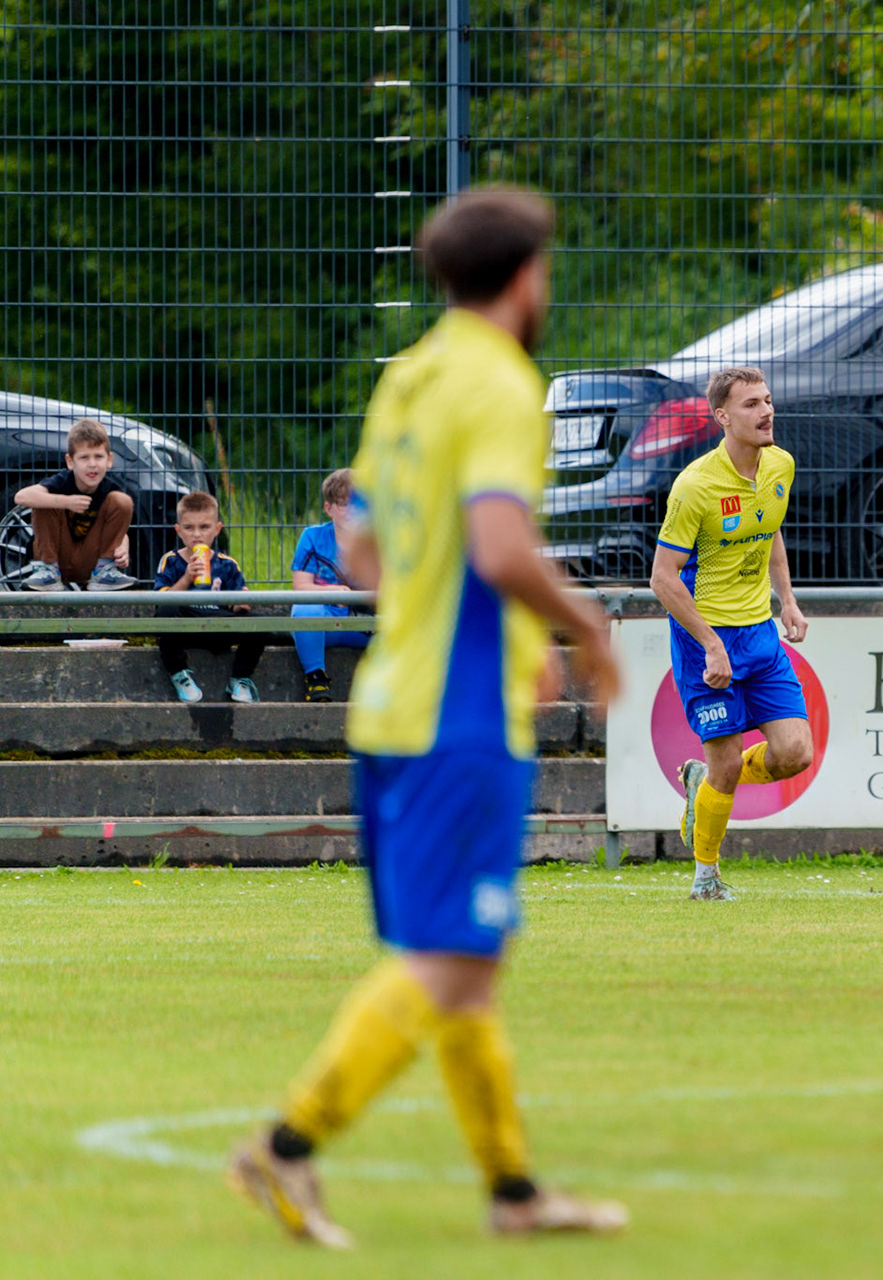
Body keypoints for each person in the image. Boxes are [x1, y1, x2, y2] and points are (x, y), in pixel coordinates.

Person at [224, 186, 626, 1247]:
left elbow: (362, 552)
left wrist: (502, 637)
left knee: (463, 964)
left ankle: (513, 1192)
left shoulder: (407, 376)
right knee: (449, 960)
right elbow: (497, 548)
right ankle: (288, 1142)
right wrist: (582, 625)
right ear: (527, 275)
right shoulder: (500, 381)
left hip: (393, 697)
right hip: (457, 712)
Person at [649, 367, 811, 902]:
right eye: (750, 405)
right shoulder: (695, 485)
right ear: (721, 417)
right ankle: (705, 878)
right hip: (707, 640)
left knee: (795, 754)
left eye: (767, 400)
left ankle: (704, 782)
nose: (766, 412)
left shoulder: (781, 465)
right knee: (725, 758)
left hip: (760, 638)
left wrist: (786, 598)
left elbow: (772, 530)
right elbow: (662, 577)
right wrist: (711, 643)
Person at [152, 490, 264, 703]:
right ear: (179, 531)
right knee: (166, 612)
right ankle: (179, 673)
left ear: (217, 529)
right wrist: (186, 578)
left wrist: (242, 604)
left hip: (218, 624)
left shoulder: (227, 563)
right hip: (186, 626)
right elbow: (159, 601)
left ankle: (240, 679)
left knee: (261, 623)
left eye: (204, 527)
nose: (197, 534)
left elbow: (236, 601)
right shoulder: (171, 560)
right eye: (189, 528)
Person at [14, 417, 137, 590]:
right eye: (84, 458)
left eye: (98, 457)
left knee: (123, 501)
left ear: (109, 460)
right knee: (44, 499)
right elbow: (21, 496)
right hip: (58, 557)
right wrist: (66, 501)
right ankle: (48, 571)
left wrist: (123, 546)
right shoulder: (62, 482)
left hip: (91, 562)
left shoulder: (110, 491)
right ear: (70, 461)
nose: (92, 464)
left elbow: (117, 531)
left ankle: (105, 572)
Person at [289, 468, 372, 702]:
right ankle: (316, 678)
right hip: (326, 623)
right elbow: (301, 587)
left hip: (364, 623)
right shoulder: (313, 537)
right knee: (304, 609)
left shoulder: (379, 540)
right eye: (344, 504)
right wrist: (331, 591)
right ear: (329, 508)